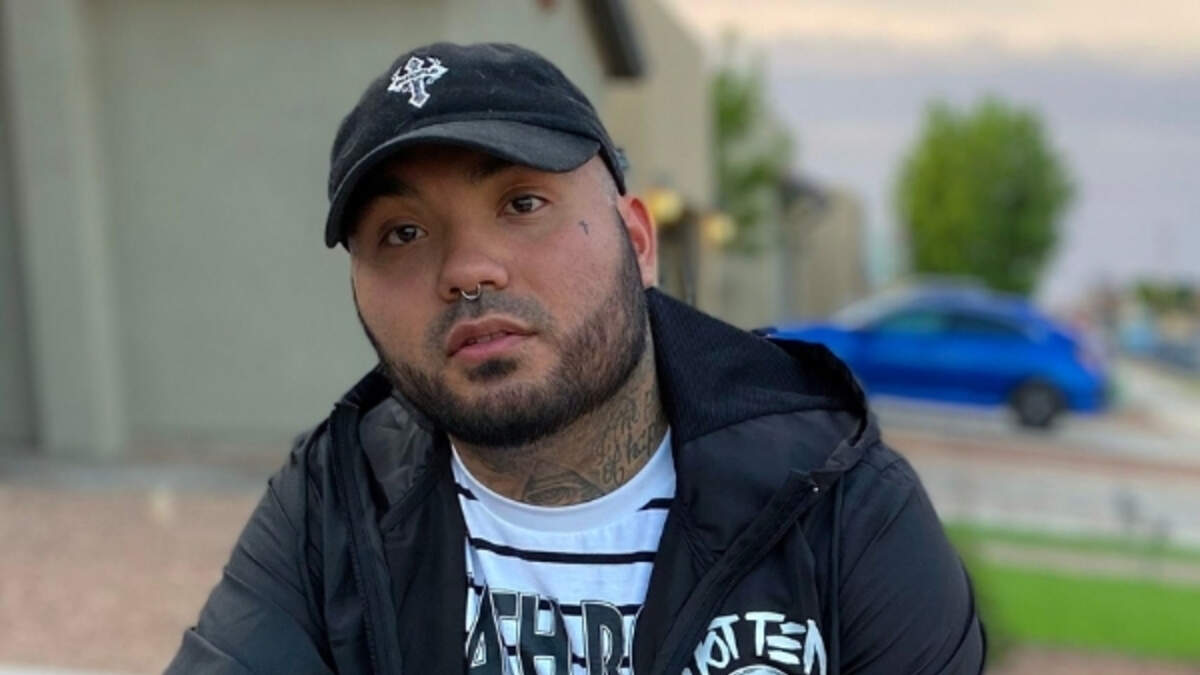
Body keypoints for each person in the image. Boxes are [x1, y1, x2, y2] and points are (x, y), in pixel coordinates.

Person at [167, 42, 984, 675]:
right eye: (403, 233)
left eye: (522, 202)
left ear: (638, 241)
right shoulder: (337, 500)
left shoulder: (834, 500)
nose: (467, 270)